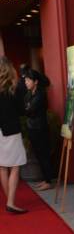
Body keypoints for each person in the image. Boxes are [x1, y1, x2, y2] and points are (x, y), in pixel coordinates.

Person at [0, 57, 28, 214]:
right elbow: (22, 110)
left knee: (2, 167)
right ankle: (11, 202)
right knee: (15, 166)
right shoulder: (14, 88)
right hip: (10, 131)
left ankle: (9, 200)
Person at [24, 68, 53, 190]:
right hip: (32, 128)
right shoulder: (30, 94)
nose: (26, 82)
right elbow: (26, 108)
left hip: (40, 128)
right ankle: (45, 179)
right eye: (25, 80)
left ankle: (48, 181)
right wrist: (27, 108)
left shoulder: (40, 94)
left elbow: (29, 110)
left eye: (28, 80)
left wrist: (28, 108)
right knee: (38, 155)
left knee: (43, 154)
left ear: (35, 82)